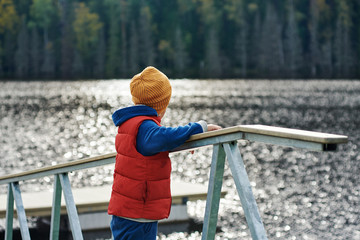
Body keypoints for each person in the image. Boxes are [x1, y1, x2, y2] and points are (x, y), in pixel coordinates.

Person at [108, 66, 221, 240]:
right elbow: (165, 137)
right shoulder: (144, 127)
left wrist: (188, 137)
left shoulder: (130, 123)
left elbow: (158, 142)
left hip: (129, 210)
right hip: (138, 214)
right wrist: (199, 127)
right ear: (161, 104)